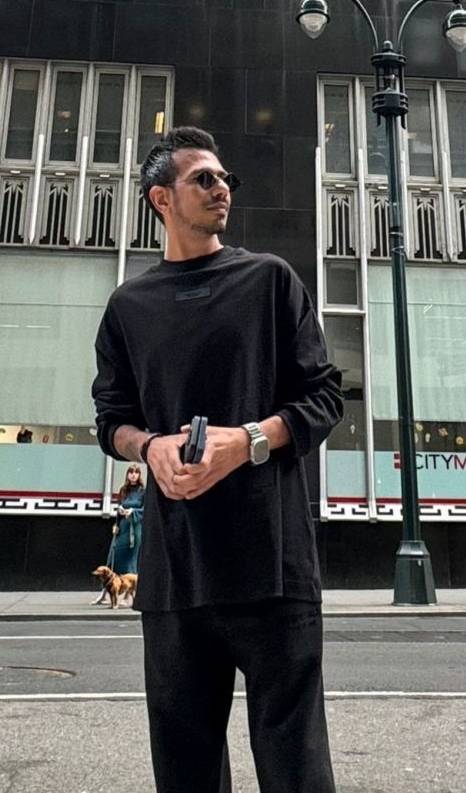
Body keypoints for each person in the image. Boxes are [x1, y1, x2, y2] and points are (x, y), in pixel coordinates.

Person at [91, 126, 344, 793]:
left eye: (225, 177)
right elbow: (111, 418)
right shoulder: (128, 306)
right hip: (175, 575)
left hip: (273, 564)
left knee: (296, 769)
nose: (222, 187)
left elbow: (324, 395)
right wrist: (150, 446)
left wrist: (249, 440)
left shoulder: (269, 280)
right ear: (160, 198)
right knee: (186, 770)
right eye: (204, 177)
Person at [92, 465, 147, 606]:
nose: (133, 475)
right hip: (122, 528)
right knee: (113, 557)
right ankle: (106, 593)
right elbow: (119, 506)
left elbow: (145, 509)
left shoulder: (143, 491)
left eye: (136, 472)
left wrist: (133, 512)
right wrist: (121, 511)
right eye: (131, 472)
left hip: (134, 529)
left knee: (130, 560)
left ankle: (127, 596)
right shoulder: (124, 490)